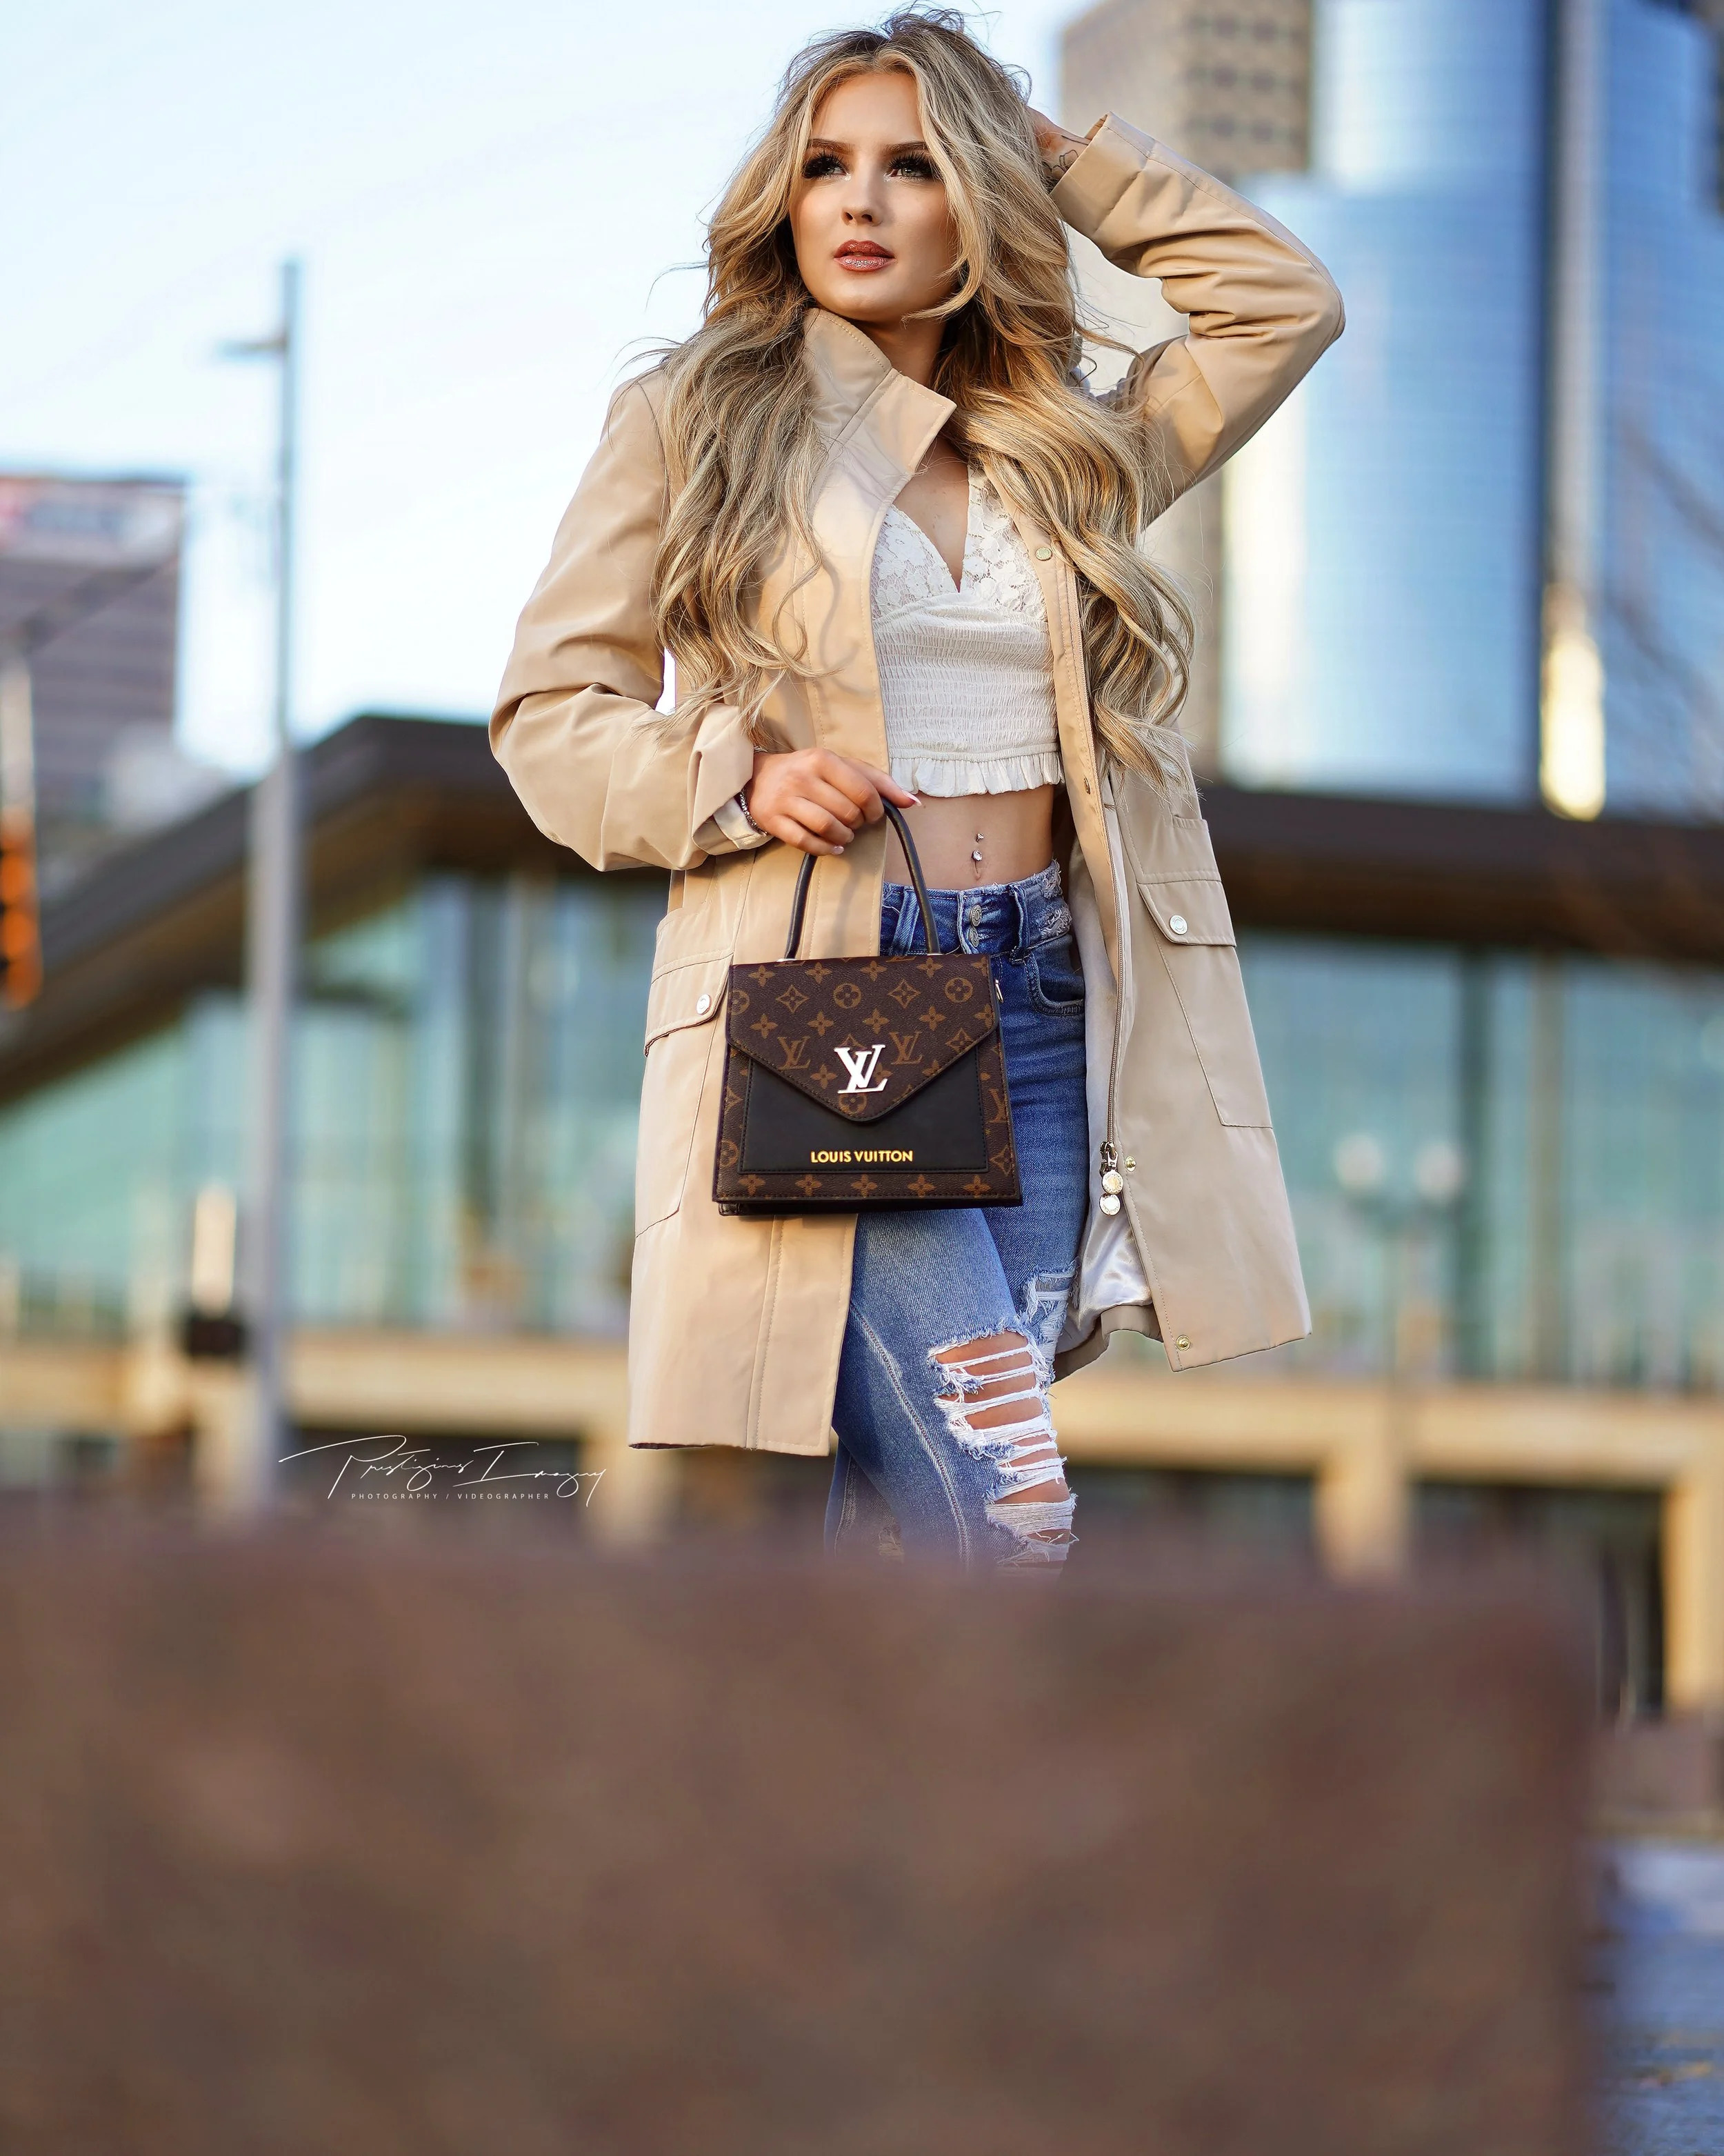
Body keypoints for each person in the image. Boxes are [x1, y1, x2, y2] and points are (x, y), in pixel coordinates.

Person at [492, 9, 1343, 1571]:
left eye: (910, 164)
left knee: (910, 1537)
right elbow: (549, 715)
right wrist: (730, 778)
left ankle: (835, 1814)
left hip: (1045, 991)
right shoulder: (695, 419)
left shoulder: (1066, 443)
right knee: (1002, 1498)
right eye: (824, 167)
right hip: (838, 998)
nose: (860, 202)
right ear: (784, 198)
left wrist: (1065, 158)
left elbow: (1281, 304)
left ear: (974, 194)